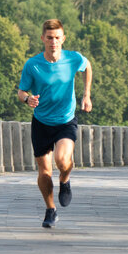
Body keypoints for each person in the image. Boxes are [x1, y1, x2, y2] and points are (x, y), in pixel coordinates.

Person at [16, 19, 92, 228]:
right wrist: (27, 99)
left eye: (57, 38)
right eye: (49, 38)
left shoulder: (73, 59)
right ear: (42, 39)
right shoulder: (32, 65)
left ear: (63, 39)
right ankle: (50, 209)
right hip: (41, 122)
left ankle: (65, 180)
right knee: (44, 172)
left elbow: (87, 67)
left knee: (62, 160)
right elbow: (21, 92)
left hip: (65, 121)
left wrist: (86, 95)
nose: (53, 42)